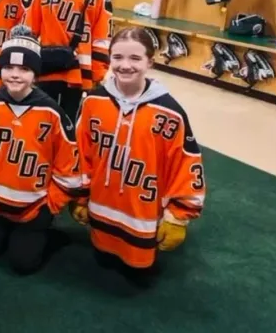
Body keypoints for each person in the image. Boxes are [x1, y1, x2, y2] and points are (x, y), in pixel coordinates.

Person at [71, 26, 206, 286]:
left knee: (137, 275)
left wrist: (179, 216)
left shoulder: (170, 112)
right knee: (102, 261)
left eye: (135, 58)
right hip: (100, 213)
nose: (125, 65)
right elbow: (80, 152)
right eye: (118, 57)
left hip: (143, 219)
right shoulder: (93, 102)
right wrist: (80, 195)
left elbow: (186, 165)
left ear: (150, 62)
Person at [0, 26, 84, 275]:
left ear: (36, 74)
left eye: (24, 69)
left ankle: (43, 231)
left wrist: (49, 208)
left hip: (34, 207)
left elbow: (68, 168)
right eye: (9, 67)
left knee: (23, 264)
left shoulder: (52, 112)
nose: (15, 75)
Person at [24, 0, 112, 121]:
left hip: (81, 68)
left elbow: (103, 31)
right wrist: (27, 61)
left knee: (72, 122)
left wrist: (100, 67)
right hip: (48, 65)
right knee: (44, 119)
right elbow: (29, 26)